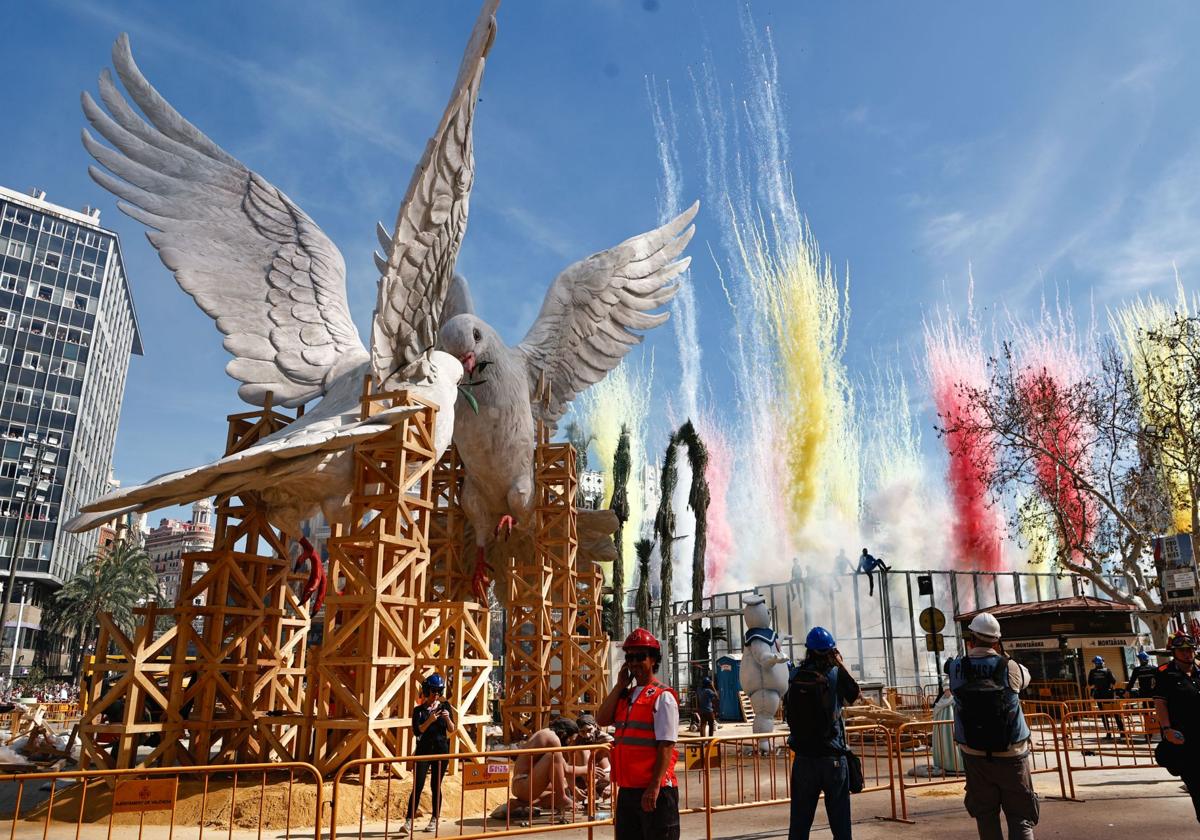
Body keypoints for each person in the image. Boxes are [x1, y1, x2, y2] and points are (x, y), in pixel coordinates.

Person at [947, 612, 1038, 840]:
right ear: (996, 640)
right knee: (1020, 817)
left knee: (986, 816)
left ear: (971, 638)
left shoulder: (956, 668)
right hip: (1012, 752)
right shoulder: (1011, 667)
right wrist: (1003, 655)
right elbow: (1026, 679)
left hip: (973, 752)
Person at [596, 627, 680, 840]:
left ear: (653, 660)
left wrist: (654, 787)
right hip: (628, 790)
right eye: (630, 657)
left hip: (654, 790)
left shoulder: (663, 697)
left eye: (640, 657)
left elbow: (666, 745)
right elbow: (602, 719)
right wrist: (619, 686)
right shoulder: (626, 696)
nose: (634, 662)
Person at [785, 626, 860, 840]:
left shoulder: (794, 674)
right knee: (840, 823)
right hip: (832, 758)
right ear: (831, 650)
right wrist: (839, 663)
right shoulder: (835, 674)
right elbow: (854, 694)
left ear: (808, 650)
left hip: (803, 759)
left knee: (799, 823)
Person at [1152, 632, 1200, 823]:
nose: (1188, 654)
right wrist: (1166, 730)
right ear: (1174, 652)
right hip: (1185, 741)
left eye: (1190, 649)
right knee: (1197, 787)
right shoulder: (1165, 673)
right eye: (1183, 650)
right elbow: (1160, 704)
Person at [403, 674, 456, 834]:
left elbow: (452, 729)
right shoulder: (419, 711)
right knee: (418, 785)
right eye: (433, 692)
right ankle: (409, 820)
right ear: (427, 691)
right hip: (423, 751)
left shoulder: (445, 707)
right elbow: (418, 730)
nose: (436, 695)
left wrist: (447, 719)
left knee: (435, 785)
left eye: (439, 692)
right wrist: (430, 720)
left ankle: (435, 818)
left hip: (440, 751)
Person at [510, 716, 584, 819]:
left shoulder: (547, 733)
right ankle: (561, 798)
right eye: (570, 739)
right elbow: (566, 769)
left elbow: (562, 771)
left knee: (565, 787)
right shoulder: (553, 739)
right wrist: (588, 768)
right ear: (563, 734)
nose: (569, 743)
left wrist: (574, 788)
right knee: (553, 756)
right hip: (523, 784)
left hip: (521, 784)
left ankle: (520, 805)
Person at [1086, 655, 1124, 739]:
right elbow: (1113, 681)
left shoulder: (1092, 672)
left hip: (1099, 695)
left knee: (1103, 715)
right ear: (1102, 662)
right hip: (1109, 695)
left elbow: (1090, 683)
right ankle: (1122, 732)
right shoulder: (1107, 670)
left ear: (1095, 664)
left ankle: (1108, 734)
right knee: (1116, 713)